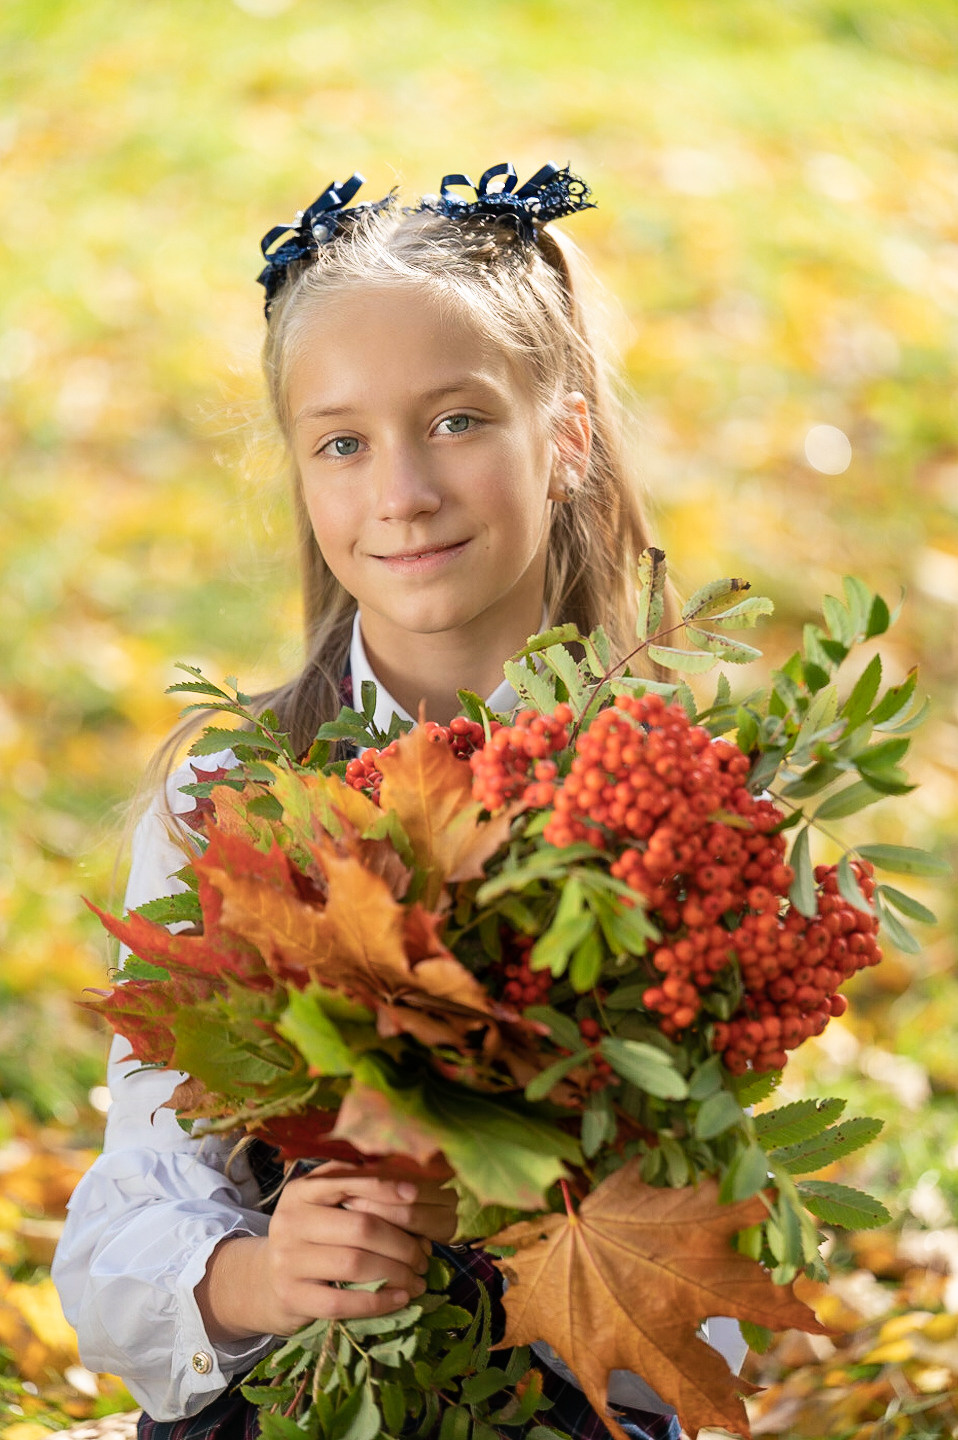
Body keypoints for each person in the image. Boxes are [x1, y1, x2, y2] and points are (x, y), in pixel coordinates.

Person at [53, 163, 742, 1440]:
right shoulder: (229, 797)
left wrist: (523, 1206)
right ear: (305, 480)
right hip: (273, 1400)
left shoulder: (661, 799)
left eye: (458, 421)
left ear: (567, 441)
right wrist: (256, 1275)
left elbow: (700, 1284)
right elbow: (128, 1205)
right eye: (343, 442)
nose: (403, 492)